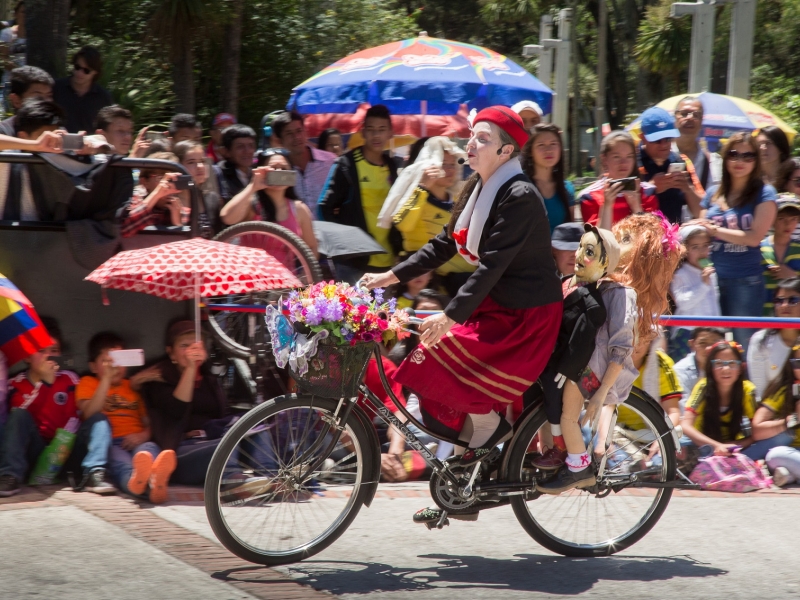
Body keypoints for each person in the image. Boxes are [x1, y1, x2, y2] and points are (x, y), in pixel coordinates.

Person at [360, 106, 563, 524]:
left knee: (437, 352)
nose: (471, 144)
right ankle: (463, 479)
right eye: (473, 135)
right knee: (427, 361)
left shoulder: (521, 196)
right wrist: (389, 277)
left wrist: (449, 318)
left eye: (483, 138)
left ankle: (490, 436)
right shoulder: (477, 186)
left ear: (506, 151)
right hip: (498, 307)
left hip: (526, 318)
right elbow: (442, 245)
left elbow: (491, 266)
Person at [537, 213, 682, 492]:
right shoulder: (597, 283)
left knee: (566, 413)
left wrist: (601, 395)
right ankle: (553, 452)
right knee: (544, 400)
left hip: (590, 370)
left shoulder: (622, 295)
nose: (617, 240)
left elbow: (619, 352)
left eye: (627, 239)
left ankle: (576, 465)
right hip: (576, 361)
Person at [0, 319, 114, 497]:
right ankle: (9, 475)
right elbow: (19, 413)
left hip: (68, 450)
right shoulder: (16, 383)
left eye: (54, 351)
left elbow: (83, 413)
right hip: (35, 452)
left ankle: (95, 473)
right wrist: (45, 383)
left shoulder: (70, 379)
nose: (48, 356)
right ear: (27, 356)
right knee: (19, 416)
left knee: (99, 420)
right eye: (41, 351)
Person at [698, 132, 778, 349]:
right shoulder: (713, 192)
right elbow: (701, 234)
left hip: (745, 281)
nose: (740, 161)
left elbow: (754, 238)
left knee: (746, 346)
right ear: (725, 158)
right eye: (734, 154)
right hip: (710, 280)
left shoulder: (765, 193)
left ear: (756, 160)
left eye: (748, 156)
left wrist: (714, 229)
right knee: (709, 345)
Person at [76, 332, 177, 503]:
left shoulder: (131, 386)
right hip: (112, 443)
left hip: (137, 440)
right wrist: (106, 378)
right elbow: (90, 413)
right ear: (93, 367)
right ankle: (140, 484)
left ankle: (154, 480)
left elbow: (147, 422)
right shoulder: (88, 382)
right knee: (122, 465)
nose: (114, 366)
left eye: (119, 360)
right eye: (107, 362)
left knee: (149, 450)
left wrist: (144, 435)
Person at [134, 321, 230, 485]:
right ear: (171, 353)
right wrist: (190, 369)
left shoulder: (210, 381)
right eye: (184, 346)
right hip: (181, 448)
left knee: (254, 428)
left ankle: (273, 480)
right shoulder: (159, 379)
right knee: (227, 445)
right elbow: (176, 411)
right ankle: (232, 478)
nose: (192, 350)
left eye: (196, 345)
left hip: (211, 439)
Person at [381, 136, 474, 296]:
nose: (450, 170)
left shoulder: (461, 199)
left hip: (468, 281)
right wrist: (422, 187)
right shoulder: (417, 197)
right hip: (431, 286)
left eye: (452, 164)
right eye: (443, 164)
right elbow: (402, 224)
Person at [319, 104, 398, 283]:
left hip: (387, 259)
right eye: (370, 129)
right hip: (353, 262)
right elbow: (324, 206)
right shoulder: (346, 164)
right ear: (362, 132)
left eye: (381, 129)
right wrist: (343, 243)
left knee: (384, 311)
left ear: (390, 133)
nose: (376, 135)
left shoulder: (392, 166)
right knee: (353, 310)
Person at [219, 147, 317, 256]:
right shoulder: (251, 204)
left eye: (284, 169)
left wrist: (303, 272)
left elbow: (311, 247)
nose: (279, 172)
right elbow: (227, 218)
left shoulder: (299, 209)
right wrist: (252, 186)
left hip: (285, 272)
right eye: (273, 169)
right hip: (251, 271)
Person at [681, 341, 757, 458]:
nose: (725, 369)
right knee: (680, 444)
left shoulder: (748, 390)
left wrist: (731, 446)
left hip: (735, 447)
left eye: (732, 363)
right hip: (703, 445)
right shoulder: (703, 387)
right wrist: (717, 446)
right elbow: (686, 426)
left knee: (771, 441)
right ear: (710, 368)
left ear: (741, 368)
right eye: (719, 363)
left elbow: (757, 432)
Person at [637, 106, 704, 223]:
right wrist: (650, 189)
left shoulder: (681, 160)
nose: (663, 145)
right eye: (657, 140)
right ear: (643, 138)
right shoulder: (630, 162)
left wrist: (687, 189)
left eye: (668, 139)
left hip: (674, 237)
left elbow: (702, 212)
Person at [579, 130, 658, 228]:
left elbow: (651, 237)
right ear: (604, 159)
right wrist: (606, 205)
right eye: (617, 157)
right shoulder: (589, 196)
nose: (624, 163)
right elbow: (597, 240)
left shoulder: (648, 191)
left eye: (629, 156)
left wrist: (636, 208)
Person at [668, 224, 720, 361]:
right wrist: (703, 284)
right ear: (685, 250)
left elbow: (714, 302)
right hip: (687, 331)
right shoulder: (681, 274)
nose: (702, 251)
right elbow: (683, 303)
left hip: (711, 331)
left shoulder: (711, 273)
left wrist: (719, 328)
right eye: (695, 247)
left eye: (705, 246)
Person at [272, 110, 336, 218]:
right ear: (279, 140)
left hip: (329, 231)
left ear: (305, 132)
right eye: (289, 133)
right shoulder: (279, 170)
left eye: (299, 131)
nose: (296, 137)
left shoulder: (330, 162)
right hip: (294, 233)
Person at [753, 346, 800, 486]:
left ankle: (791, 476)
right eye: (798, 362)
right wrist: (794, 419)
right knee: (775, 455)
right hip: (794, 452)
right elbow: (757, 430)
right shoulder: (784, 391)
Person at [747, 278, 800, 399]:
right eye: (779, 300)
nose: (784, 305)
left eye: (793, 300)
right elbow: (759, 392)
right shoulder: (760, 340)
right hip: (773, 412)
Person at [520, 123, 575, 233]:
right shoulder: (519, 185)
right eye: (541, 145)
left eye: (553, 144)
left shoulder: (567, 188)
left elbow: (571, 231)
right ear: (530, 151)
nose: (548, 150)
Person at [118, 151, 184, 237]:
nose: (168, 184)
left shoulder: (180, 209)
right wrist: (157, 193)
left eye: (172, 179)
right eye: (161, 178)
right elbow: (124, 229)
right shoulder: (134, 201)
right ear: (144, 182)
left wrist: (178, 224)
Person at [53, 46, 113, 134]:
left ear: (95, 72)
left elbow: (108, 126)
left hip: (89, 145)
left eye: (86, 70)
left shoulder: (103, 97)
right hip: (57, 143)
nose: (80, 73)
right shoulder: (56, 88)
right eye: (77, 67)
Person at [761, 197, 800, 315]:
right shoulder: (759, 248)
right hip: (762, 313)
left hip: (791, 315)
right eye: (781, 218)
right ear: (771, 219)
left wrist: (793, 276)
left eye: (793, 219)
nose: (788, 224)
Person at [672, 96, 720, 190]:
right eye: (684, 113)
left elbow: (717, 200)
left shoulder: (713, 161)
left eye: (696, 115)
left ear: (701, 122)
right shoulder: (661, 156)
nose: (690, 118)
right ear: (675, 118)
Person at [673, 327, 725, 412]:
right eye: (703, 343)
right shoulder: (680, 370)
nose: (708, 349)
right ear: (692, 344)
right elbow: (683, 410)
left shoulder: (731, 366)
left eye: (715, 343)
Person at [0, 65, 53, 136]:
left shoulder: (57, 129)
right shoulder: (4, 130)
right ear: (16, 100)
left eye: (49, 96)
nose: (47, 101)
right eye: (38, 96)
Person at [214, 124, 257, 204]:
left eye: (251, 145)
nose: (247, 151)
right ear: (226, 151)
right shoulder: (217, 175)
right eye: (240, 146)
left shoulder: (258, 173)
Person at [0, 2, 27, 114]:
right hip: (10, 82)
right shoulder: (7, 34)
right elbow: (2, 58)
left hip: (30, 84)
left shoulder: (38, 35)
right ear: (16, 14)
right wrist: (20, 71)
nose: (25, 15)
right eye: (23, 12)